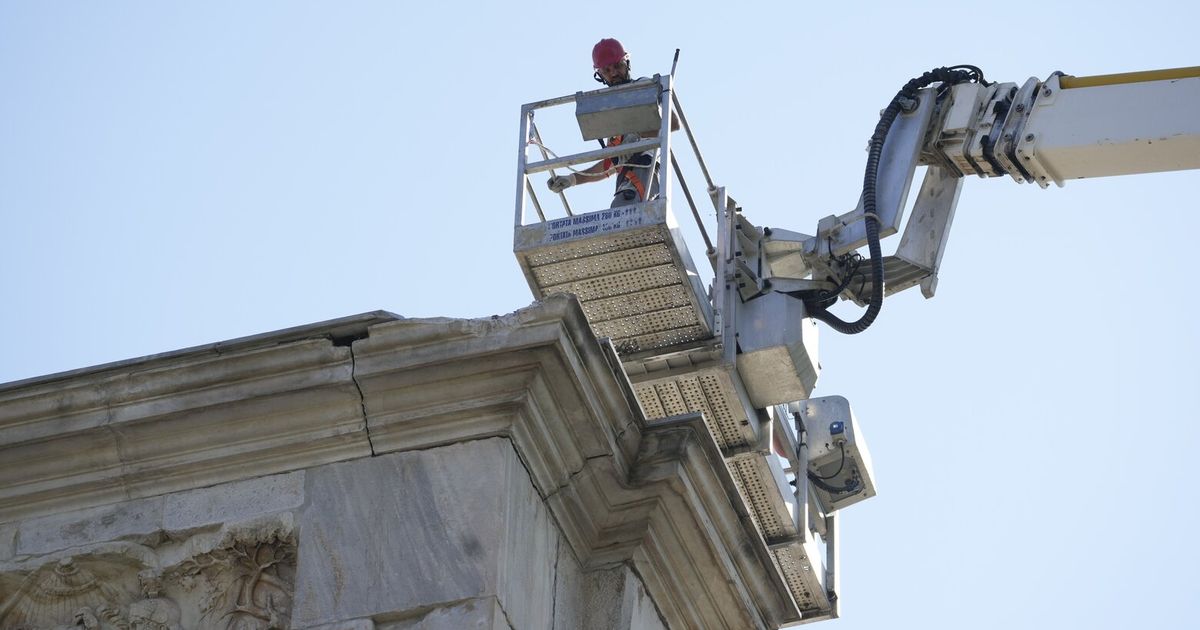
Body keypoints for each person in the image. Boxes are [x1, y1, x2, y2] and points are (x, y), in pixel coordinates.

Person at [547, 38, 663, 208]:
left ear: (627, 63)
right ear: (600, 75)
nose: (614, 73)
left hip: (646, 169)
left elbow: (672, 124)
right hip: (626, 179)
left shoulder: (643, 89)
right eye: (607, 70)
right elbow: (610, 164)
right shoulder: (611, 112)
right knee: (618, 213)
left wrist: (639, 130)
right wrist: (572, 180)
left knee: (620, 211)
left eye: (618, 66)